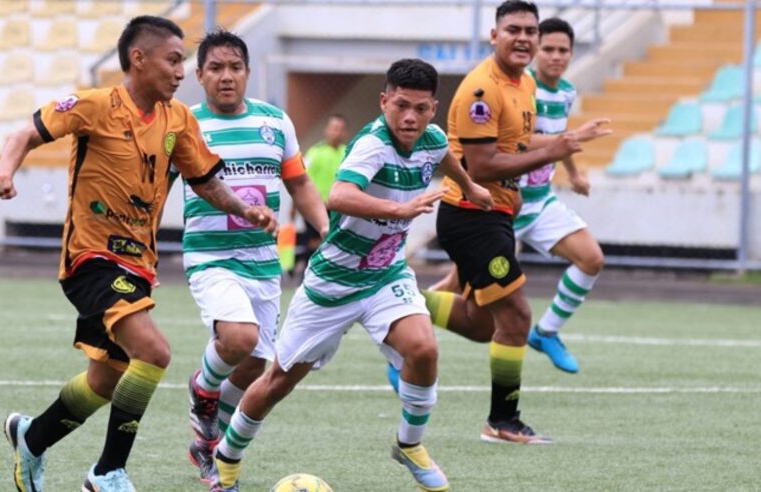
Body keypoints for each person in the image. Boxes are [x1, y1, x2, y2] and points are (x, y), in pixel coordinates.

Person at [0, 16, 276, 492]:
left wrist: (244, 209)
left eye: (182, 62)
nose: (180, 72)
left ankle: (31, 437)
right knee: (154, 352)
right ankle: (107, 472)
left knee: (103, 381)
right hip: (91, 259)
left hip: (138, 265)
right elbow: (24, 135)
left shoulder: (177, 119)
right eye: (173, 60)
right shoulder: (94, 106)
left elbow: (205, 181)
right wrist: (5, 172)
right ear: (138, 59)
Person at [209, 58, 493, 492]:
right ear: (383, 102)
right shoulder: (372, 146)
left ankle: (409, 444)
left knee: (423, 349)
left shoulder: (432, 137)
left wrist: (469, 186)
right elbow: (339, 195)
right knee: (279, 381)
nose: (410, 117)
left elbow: (442, 153)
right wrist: (400, 209)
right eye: (401, 105)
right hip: (333, 283)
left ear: (433, 109)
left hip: (385, 276)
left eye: (420, 108)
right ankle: (227, 455)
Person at [435, 0, 609, 445]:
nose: (524, 38)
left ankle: (398, 304)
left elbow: (518, 141)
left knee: (481, 324)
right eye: (514, 30)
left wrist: (558, 146)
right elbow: (481, 166)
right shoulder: (482, 89)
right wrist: (555, 150)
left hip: (498, 214)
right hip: (470, 215)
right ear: (495, 36)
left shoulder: (523, 83)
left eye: (531, 31)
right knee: (516, 316)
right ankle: (502, 421)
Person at [174, 30, 330, 482]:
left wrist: (325, 228)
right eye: (216, 68)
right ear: (200, 75)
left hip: (262, 261)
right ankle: (203, 386)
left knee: (254, 365)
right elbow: (156, 185)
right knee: (239, 338)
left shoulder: (275, 122)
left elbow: (299, 182)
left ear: (248, 72)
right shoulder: (184, 124)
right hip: (210, 257)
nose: (226, 76)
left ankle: (208, 446)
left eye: (235, 67)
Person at [518, 17, 606, 374]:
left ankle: (546, 332)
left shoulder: (566, 91)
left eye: (563, 50)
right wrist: (573, 139)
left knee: (591, 259)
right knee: (466, 292)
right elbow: (516, 141)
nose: (556, 56)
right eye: (549, 49)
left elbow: (561, 136)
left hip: (539, 200)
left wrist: (573, 173)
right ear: (535, 50)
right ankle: (407, 350)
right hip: (504, 203)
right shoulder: (522, 88)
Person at [291, 114, 348, 271]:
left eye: (340, 129)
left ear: (345, 133)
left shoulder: (347, 154)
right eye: (334, 128)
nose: (337, 132)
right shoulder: (315, 153)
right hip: (315, 206)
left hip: (338, 209)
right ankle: (307, 271)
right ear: (327, 130)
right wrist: (294, 207)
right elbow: (299, 181)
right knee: (314, 241)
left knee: (333, 242)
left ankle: (328, 272)